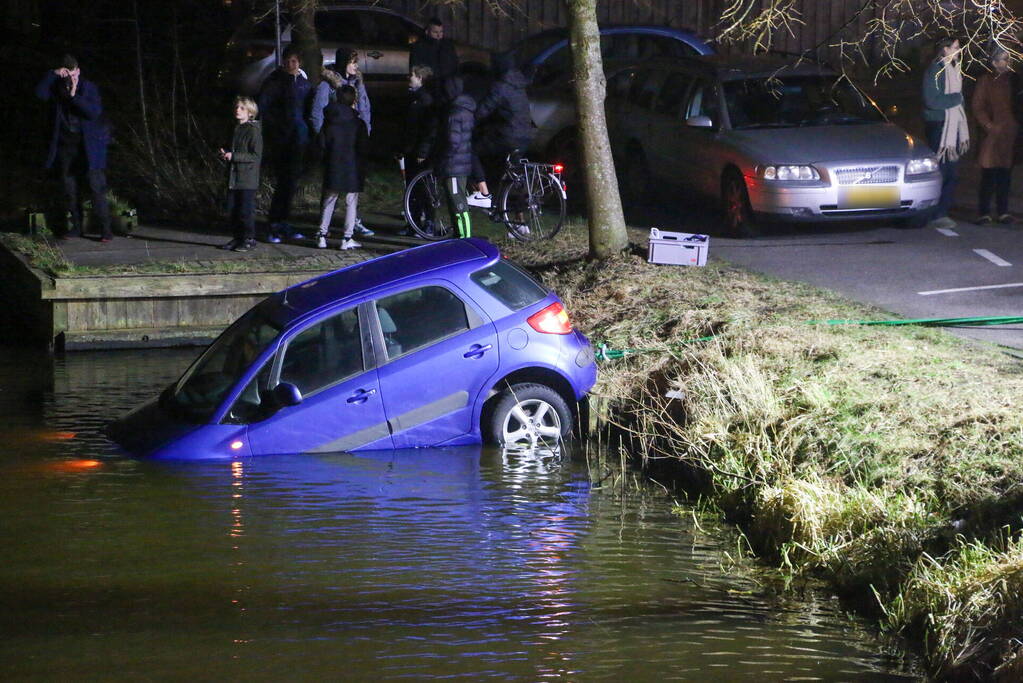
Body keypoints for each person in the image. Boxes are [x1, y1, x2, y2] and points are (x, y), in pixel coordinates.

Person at [35, 54, 113, 242]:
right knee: (70, 189)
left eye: (74, 74)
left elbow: (93, 112)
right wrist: (52, 75)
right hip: (66, 146)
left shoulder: (88, 87)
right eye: (66, 74)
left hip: (89, 147)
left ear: (78, 71)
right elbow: (39, 94)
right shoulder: (56, 88)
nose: (71, 78)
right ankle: (76, 227)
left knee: (96, 188)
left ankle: (105, 230)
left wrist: (74, 96)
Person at [257, 45, 312, 243]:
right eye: (287, 61)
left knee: (291, 183)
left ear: (300, 62)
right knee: (282, 181)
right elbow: (263, 107)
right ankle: (274, 223)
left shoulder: (304, 83)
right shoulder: (274, 82)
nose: (290, 64)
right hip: (282, 140)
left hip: (299, 140)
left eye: (294, 61)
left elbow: (309, 109)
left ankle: (283, 222)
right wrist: (275, 130)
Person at [468, 51, 534, 207]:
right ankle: (518, 222)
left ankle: (483, 193)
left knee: (470, 150)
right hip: (525, 135)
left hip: (509, 135)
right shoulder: (519, 83)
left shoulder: (501, 86)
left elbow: (484, 109)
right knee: (512, 175)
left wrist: (469, 119)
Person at [922, 36, 970, 230]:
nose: (958, 50)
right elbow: (932, 100)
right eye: (955, 47)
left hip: (952, 125)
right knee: (944, 170)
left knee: (951, 171)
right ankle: (937, 213)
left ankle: (941, 211)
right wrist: (956, 99)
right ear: (945, 49)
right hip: (940, 125)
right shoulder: (936, 70)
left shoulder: (953, 69)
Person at [317, 86, 369, 251]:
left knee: (329, 199)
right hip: (352, 166)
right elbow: (363, 147)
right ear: (354, 101)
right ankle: (347, 238)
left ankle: (321, 235)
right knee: (351, 202)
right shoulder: (357, 123)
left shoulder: (329, 120)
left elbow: (322, 144)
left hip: (333, 164)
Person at [972, 47, 1019, 224]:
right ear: (994, 62)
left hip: (1009, 133)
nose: (1006, 63)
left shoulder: (1013, 80)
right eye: (1003, 59)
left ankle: (1003, 211)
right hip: (992, 134)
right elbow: (978, 106)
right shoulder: (986, 80)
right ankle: (984, 212)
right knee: (989, 173)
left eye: (1007, 59)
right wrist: (989, 125)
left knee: (1005, 174)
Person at [218, 96, 263, 253]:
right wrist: (225, 150)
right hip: (233, 177)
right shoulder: (235, 128)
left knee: (245, 211)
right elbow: (231, 145)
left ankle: (248, 239)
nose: (238, 110)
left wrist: (234, 157)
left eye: (242, 108)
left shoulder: (253, 131)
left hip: (247, 179)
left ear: (250, 112)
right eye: (237, 107)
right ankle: (238, 237)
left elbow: (255, 156)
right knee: (232, 210)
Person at [438, 76, 476, 239]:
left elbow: (453, 142)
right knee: (457, 204)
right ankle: (459, 236)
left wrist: (443, 159)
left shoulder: (454, 113)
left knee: (459, 205)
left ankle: (465, 239)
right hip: (462, 164)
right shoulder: (467, 110)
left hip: (454, 167)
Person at [403, 65, 438, 185]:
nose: (409, 78)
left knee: (420, 183)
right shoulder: (416, 97)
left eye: (411, 75)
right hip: (413, 147)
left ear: (420, 78)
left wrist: (423, 151)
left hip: (417, 149)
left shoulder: (424, 99)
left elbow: (429, 128)